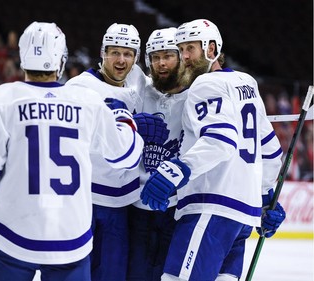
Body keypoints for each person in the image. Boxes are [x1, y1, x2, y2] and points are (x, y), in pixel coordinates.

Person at [0, 21, 144, 281]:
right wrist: (124, 118)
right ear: (61, 61)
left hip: (10, 239)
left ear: (23, 57)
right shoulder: (88, 102)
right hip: (71, 242)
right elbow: (125, 155)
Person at [140, 19, 286, 280]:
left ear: (212, 49)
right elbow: (271, 149)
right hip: (242, 217)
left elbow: (220, 140)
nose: (184, 56)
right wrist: (265, 196)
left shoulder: (204, 85)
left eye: (191, 49)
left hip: (210, 207)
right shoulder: (246, 82)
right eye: (181, 49)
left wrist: (176, 171)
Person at [65, 22, 168, 281]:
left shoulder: (137, 80)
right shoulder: (80, 89)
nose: (121, 60)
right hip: (85, 200)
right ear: (102, 53)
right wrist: (127, 126)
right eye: (114, 52)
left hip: (121, 205)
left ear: (136, 58)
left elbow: (170, 85)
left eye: (128, 53)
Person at [127, 27, 188, 281]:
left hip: (176, 209)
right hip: (136, 206)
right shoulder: (139, 90)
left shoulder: (197, 96)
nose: (161, 63)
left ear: (181, 57)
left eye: (168, 56)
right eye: (155, 57)